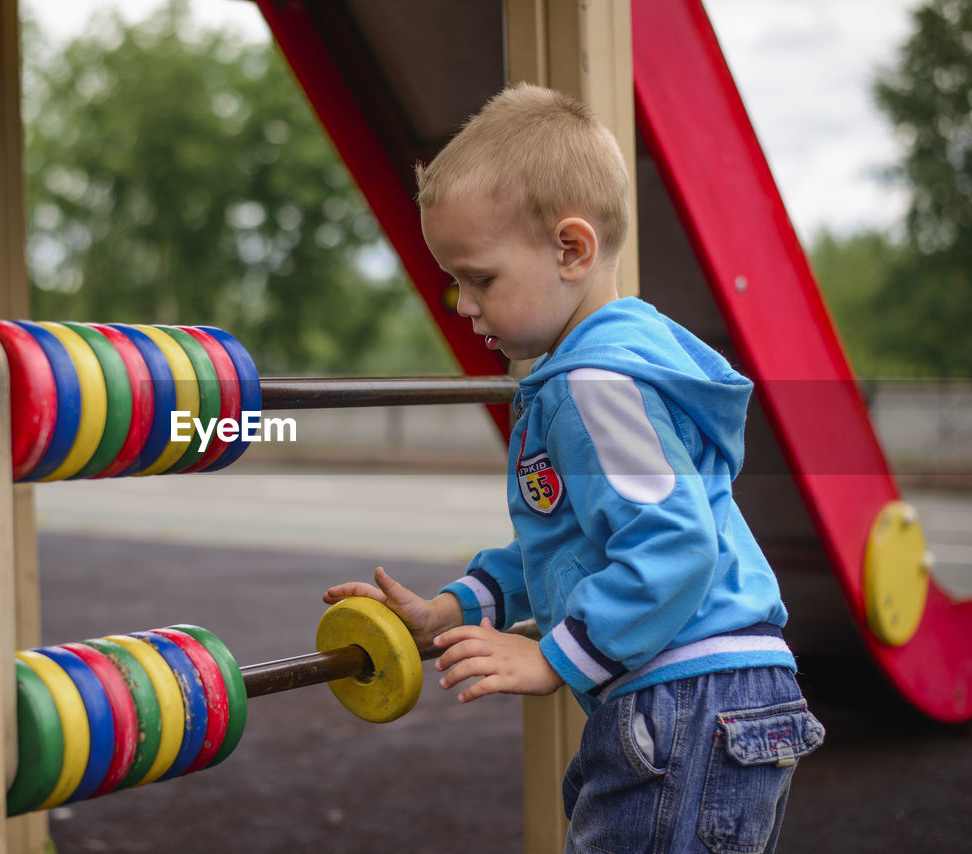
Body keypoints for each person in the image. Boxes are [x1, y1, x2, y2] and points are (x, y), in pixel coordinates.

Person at [323, 84, 824, 853]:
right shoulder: (607, 371)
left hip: (687, 697)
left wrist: (551, 655)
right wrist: (454, 609)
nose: (461, 303)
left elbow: (673, 544)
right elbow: (574, 543)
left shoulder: (597, 389)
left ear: (571, 250)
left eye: (481, 278)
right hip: (700, 696)